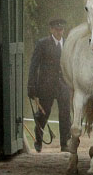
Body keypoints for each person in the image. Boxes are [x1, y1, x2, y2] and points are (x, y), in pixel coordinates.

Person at [27, 17, 71, 153]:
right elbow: (34, 66)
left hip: (63, 84)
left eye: (61, 29)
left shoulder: (67, 44)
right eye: (57, 29)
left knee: (65, 114)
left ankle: (65, 143)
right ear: (51, 30)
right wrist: (31, 86)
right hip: (46, 85)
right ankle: (38, 140)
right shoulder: (43, 44)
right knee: (44, 114)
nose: (59, 32)